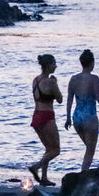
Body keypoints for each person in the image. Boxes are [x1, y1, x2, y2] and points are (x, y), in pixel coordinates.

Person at [64, 49, 99, 174]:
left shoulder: (73, 79)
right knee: (90, 150)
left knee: (88, 148)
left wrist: (68, 118)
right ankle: (83, 175)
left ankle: (84, 173)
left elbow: (69, 99)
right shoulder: (94, 79)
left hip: (77, 117)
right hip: (89, 117)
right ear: (92, 63)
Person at [28, 54, 62, 186]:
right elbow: (59, 99)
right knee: (56, 150)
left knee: (48, 148)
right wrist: (55, 83)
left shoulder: (35, 80)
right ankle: (36, 167)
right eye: (54, 64)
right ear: (48, 66)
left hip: (36, 115)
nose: (56, 66)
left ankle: (44, 177)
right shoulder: (51, 82)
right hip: (46, 116)